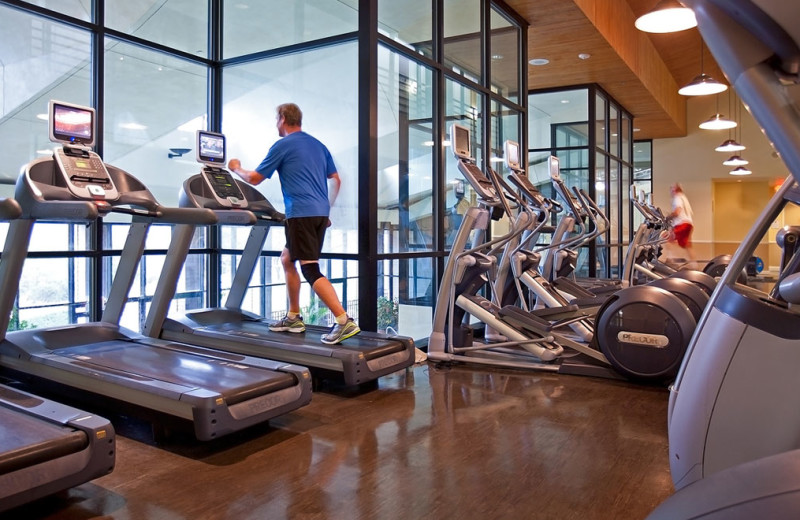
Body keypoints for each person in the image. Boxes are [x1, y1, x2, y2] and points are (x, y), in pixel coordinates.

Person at [227, 103, 360, 345]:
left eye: (275, 119)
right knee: (288, 259)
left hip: (301, 214)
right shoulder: (319, 146)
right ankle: (293, 316)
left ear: (282, 118)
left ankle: (344, 320)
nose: (275, 124)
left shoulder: (283, 145)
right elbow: (336, 180)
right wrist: (325, 208)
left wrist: (236, 168)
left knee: (310, 268)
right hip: (319, 214)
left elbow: (254, 178)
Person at [668, 182, 695, 266]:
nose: (671, 192)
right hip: (689, 224)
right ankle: (694, 264)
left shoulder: (677, 197)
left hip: (682, 224)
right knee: (687, 245)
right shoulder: (684, 197)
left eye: (672, 189)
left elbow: (677, 211)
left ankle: (670, 260)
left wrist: (669, 216)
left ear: (675, 190)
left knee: (667, 238)